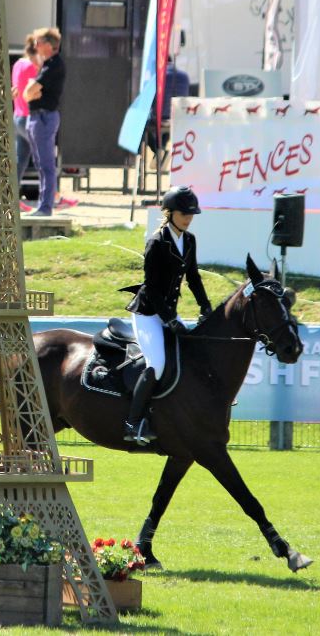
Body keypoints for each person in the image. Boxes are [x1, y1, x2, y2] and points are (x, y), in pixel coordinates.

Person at [119, 186, 213, 445]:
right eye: (184, 213)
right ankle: (132, 423)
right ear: (170, 212)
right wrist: (169, 318)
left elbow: (193, 278)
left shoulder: (189, 240)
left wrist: (206, 306)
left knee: (191, 355)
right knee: (157, 364)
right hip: (148, 313)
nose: (189, 218)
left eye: (191, 214)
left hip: (169, 313)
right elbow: (150, 287)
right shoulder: (157, 242)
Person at [23, 27, 64, 216]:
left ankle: (46, 207)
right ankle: (42, 204)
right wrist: (31, 91)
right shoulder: (46, 65)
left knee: (46, 164)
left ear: (48, 45)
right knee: (39, 163)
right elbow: (28, 93)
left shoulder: (54, 65)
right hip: (37, 117)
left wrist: (31, 91)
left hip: (44, 117)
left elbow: (30, 92)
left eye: (38, 43)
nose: (35, 46)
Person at [11, 35, 40, 189]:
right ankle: (53, 195)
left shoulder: (17, 64)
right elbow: (35, 90)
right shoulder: (32, 67)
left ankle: (12, 196)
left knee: (20, 160)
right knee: (42, 157)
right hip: (29, 117)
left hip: (18, 115)